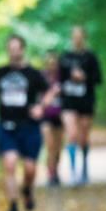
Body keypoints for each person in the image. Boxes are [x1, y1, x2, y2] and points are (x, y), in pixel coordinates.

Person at [0, 35, 57, 211]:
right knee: (10, 164)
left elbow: (51, 90)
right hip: (7, 126)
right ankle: (13, 206)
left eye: (17, 48)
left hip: (29, 126)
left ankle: (27, 190)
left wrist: (41, 107)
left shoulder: (33, 73)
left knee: (30, 169)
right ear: (8, 50)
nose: (14, 51)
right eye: (10, 48)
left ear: (22, 49)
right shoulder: (0, 72)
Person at [59, 25, 102, 185]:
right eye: (74, 36)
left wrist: (84, 77)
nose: (77, 39)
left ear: (84, 37)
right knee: (71, 135)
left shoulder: (91, 57)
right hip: (69, 101)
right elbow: (59, 79)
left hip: (86, 101)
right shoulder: (65, 57)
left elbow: (98, 79)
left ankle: (84, 167)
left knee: (83, 137)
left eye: (80, 36)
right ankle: (72, 171)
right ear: (71, 38)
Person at [41, 50, 64, 187]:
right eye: (49, 62)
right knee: (50, 146)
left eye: (54, 62)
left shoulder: (62, 77)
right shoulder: (41, 77)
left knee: (58, 147)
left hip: (60, 115)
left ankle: (56, 172)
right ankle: (50, 174)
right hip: (46, 116)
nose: (52, 65)